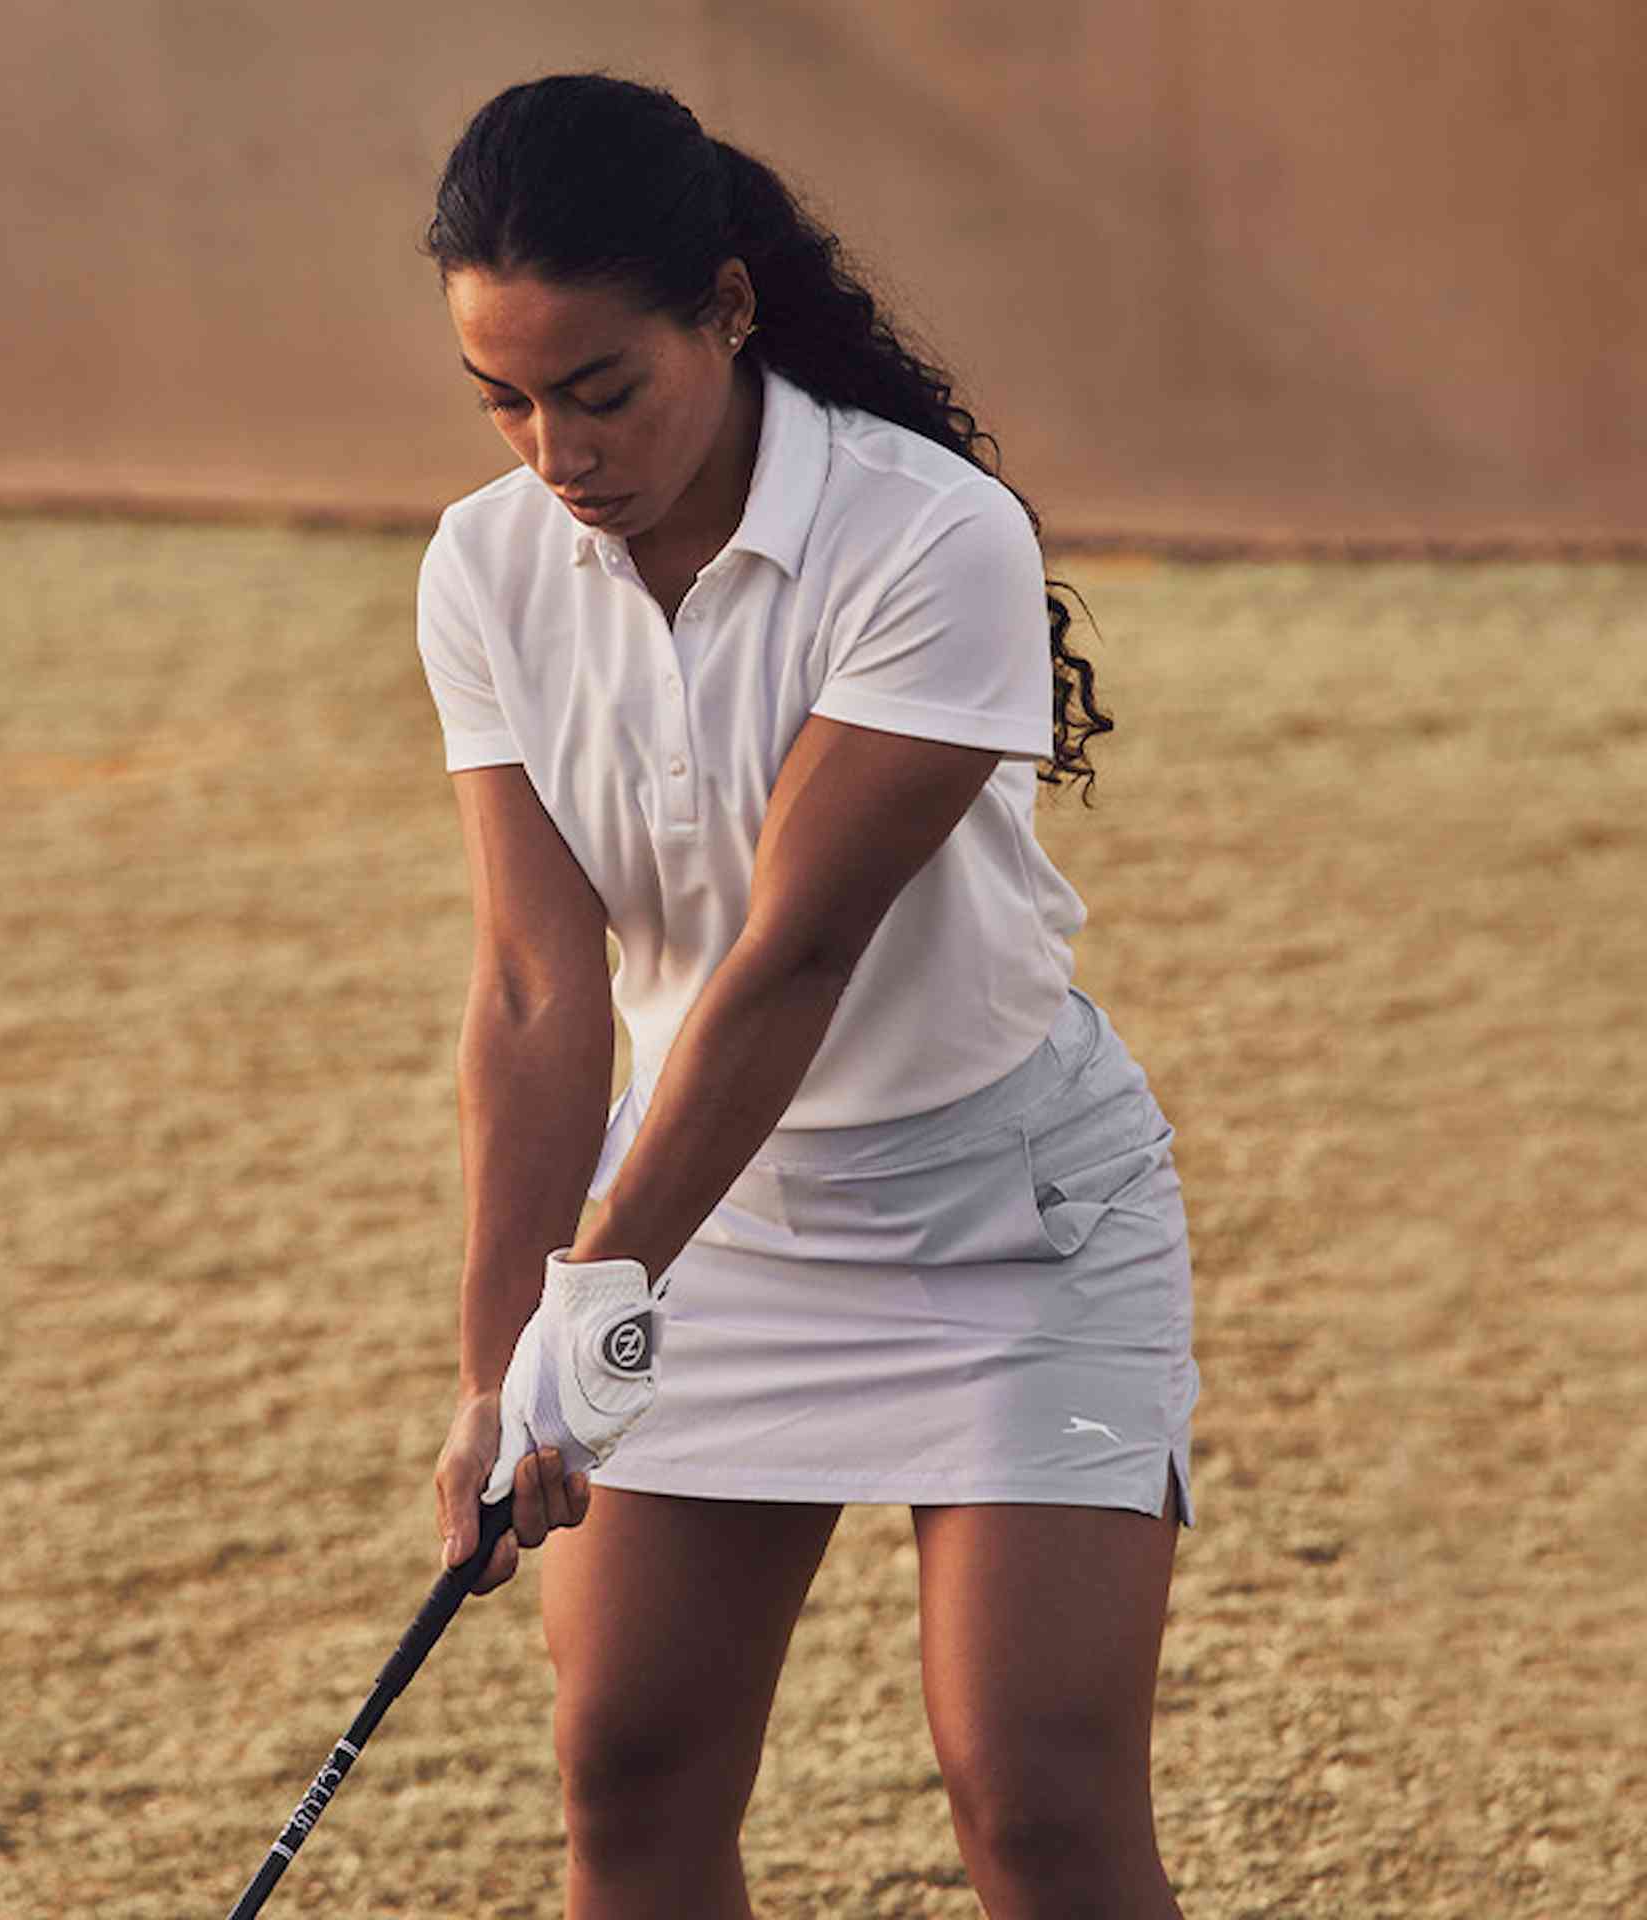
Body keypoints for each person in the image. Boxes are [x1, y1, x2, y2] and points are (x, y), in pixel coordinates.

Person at [417, 73, 1198, 1920]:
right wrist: (490, 1373)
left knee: (1041, 1806)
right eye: (506, 401)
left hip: (1011, 1227)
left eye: (602, 389)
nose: (557, 452)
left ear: (733, 306)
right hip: (712, 1231)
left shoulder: (934, 540)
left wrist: (587, 1302)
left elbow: (792, 961)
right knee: (631, 1775)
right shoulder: (487, 568)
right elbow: (538, 990)